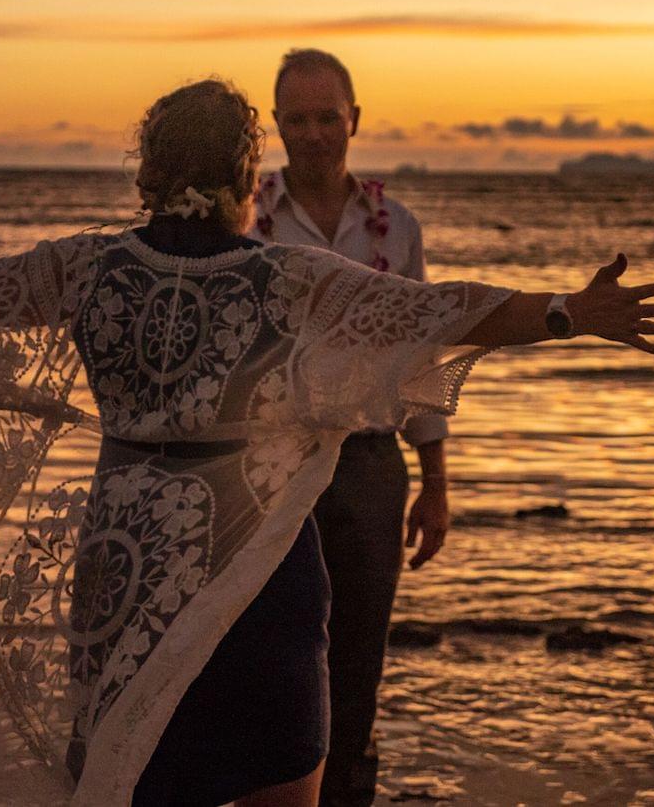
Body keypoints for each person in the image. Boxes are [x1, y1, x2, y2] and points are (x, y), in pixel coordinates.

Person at [0, 78, 654, 807]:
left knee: (131, 772)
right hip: (256, 566)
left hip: (125, 561)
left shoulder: (85, 268)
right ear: (250, 173)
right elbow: (440, 314)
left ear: (148, 174)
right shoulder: (289, 277)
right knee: (282, 781)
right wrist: (569, 312)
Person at [251, 48, 450, 806]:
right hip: (269, 470)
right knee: (270, 655)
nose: (313, 133)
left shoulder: (395, 228)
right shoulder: (247, 218)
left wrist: (435, 485)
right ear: (277, 126)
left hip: (369, 467)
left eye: (327, 116)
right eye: (296, 119)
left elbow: (421, 357)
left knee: (358, 658)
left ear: (354, 119)